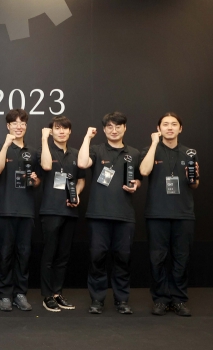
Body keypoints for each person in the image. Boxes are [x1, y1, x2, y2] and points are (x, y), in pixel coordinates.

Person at [78, 111, 142, 315]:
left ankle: (121, 300)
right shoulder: (96, 150)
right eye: (109, 127)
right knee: (97, 258)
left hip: (125, 216)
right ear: (104, 130)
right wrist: (87, 138)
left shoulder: (134, 152)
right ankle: (97, 300)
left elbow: (139, 178)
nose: (114, 130)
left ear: (125, 128)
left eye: (118, 126)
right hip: (98, 214)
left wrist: (136, 185)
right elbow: (82, 163)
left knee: (123, 259)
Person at [139, 112, 199, 317]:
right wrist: (154, 144)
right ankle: (161, 299)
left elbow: (195, 184)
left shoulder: (190, 152)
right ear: (159, 128)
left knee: (181, 258)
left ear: (180, 129)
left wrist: (194, 177)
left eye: (174, 124)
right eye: (165, 124)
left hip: (183, 213)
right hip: (157, 213)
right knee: (157, 258)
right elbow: (144, 171)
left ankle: (179, 299)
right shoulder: (150, 150)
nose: (170, 128)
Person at [0, 109, 41, 312]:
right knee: (4, 254)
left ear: (26, 127)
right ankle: (4, 295)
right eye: (14, 123)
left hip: (26, 211)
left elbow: (37, 182)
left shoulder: (33, 152)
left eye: (22, 124)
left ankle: (20, 294)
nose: (18, 127)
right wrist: (6, 145)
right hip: (4, 210)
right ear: (8, 126)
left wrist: (35, 180)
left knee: (24, 254)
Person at [39, 116, 85, 312]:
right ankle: (47, 295)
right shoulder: (46, 151)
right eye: (57, 128)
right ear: (52, 131)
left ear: (70, 132)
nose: (62, 132)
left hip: (70, 210)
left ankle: (58, 293)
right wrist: (44, 140)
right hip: (50, 209)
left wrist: (77, 194)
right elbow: (46, 167)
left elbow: (81, 180)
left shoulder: (76, 154)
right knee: (49, 254)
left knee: (63, 256)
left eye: (65, 129)